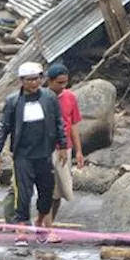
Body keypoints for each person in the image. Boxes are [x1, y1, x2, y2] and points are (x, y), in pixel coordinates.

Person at [0, 61, 69, 239]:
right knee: (23, 194)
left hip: (44, 153)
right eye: (30, 80)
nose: (34, 83)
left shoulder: (49, 98)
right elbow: (4, 127)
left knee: (46, 193)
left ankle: (40, 222)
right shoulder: (13, 101)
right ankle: (21, 231)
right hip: (22, 155)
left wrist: (62, 146)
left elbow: (59, 123)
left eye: (37, 79)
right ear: (21, 81)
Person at [45, 63, 84, 224]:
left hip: (65, 149)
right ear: (49, 81)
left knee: (60, 191)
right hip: (46, 149)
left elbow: (73, 125)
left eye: (65, 82)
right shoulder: (43, 98)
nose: (62, 86)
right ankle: (45, 228)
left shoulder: (70, 97)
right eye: (59, 83)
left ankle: (47, 223)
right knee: (47, 189)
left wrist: (79, 151)